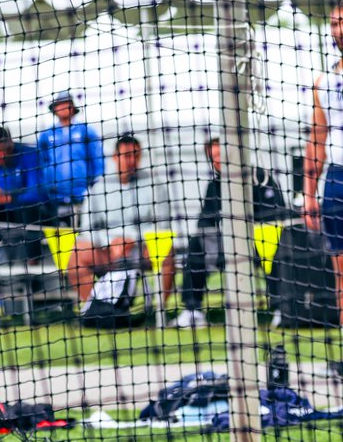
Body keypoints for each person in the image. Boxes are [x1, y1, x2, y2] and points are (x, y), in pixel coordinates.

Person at [168, 136, 286, 329]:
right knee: (196, 245)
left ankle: (282, 309)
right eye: (213, 156)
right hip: (225, 246)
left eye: (220, 154)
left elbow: (275, 215)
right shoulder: (214, 186)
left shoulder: (261, 178)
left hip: (259, 244)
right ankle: (192, 311)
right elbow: (205, 222)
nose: (218, 160)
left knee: (273, 249)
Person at [67, 134, 163, 311]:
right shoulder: (98, 188)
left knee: (167, 252)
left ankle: (161, 311)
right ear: (115, 157)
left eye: (136, 155)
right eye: (127, 155)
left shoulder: (154, 185)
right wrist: (110, 243)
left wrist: (132, 239)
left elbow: (163, 226)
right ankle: (96, 309)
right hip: (108, 252)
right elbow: (87, 229)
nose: (132, 160)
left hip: (142, 250)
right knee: (77, 255)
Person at [304, 1, 343, 328]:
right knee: (341, 272)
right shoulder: (325, 82)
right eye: (333, 23)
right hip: (338, 180)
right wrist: (308, 194)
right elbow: (317, 138)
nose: (338, 30)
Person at [37, 91, 103, 226]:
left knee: (82, 230)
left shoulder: (86, 131)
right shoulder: (46, 134)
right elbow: (41, 162)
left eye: (65, 104)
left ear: (72, 107)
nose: (62, 108)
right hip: (54, 196)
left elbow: (97, 158)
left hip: (82, 194)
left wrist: (95, 184)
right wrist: (46, 185)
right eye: (59, 105)